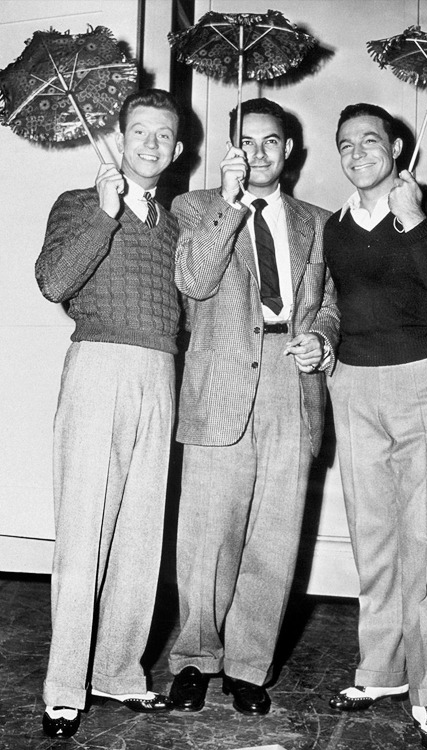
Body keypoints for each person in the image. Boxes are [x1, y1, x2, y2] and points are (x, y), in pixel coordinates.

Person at [167, 98, 339, 716]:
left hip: (291, 383)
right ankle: (192, 659)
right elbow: (194, 282)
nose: (261, 152)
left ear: (289, 150)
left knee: (275, 532)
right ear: (232, 148)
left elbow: (328, 302)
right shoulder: (194, 208)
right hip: (222, 385)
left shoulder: (319, 221)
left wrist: (323, 338)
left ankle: (247, 666)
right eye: (248, 141)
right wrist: (230, 205)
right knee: (207, 534)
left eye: (273, 142)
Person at [323, 103, 427, 750]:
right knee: (373, 536)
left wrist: (412, 219)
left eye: (370, 140)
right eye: (345, 144)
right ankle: (381, 671)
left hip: (425, 382)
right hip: (354, 385)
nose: (358, 152)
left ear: (397, 144)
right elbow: (325, 302)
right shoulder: (333, 226)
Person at [35, 88, 184, 738]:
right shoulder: (77, 203)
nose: (150, 145)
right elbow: (54, 282)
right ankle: (64, 687)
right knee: (83, 531)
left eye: (162, 136)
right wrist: (102, 213)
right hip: (97, 366)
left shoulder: (177, 221)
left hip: (161, 373)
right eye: (140, 132)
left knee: (140, 534)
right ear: (121, 139)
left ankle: (119, 672)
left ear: (177, 150)